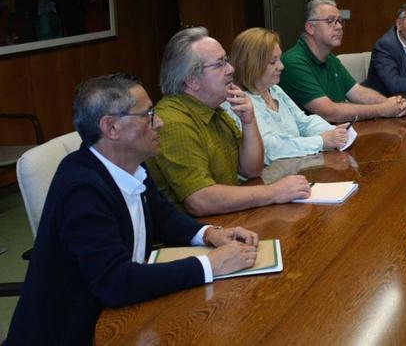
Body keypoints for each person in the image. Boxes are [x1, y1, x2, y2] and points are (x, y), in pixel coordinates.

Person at [4, 74, 260, 345]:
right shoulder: (80, 190)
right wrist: (211, 265)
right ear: (111, 128)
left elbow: (162, 216)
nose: (159, 122)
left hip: (127, 315)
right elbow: (116, 282)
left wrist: (208, 234)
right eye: (148, 115)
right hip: (77, 333)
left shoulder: (130, 164)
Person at [146, 27, 312, 216]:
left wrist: (249, 121)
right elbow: (200, 200)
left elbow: (251, 170)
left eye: (226, 60)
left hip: (229, 219)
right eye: (219, 64)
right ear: (192, 80)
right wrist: (274, 192)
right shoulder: (173, 122)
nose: (231, 69)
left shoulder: (215, 110)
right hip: (194, 235)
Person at [229, 27, 349, 164]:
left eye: (279, 59)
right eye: (272, 62)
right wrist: (321, 141)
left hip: (296, 167)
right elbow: (271, 147)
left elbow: (303, 122)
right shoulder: (239, 102)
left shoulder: (274, 90)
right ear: (251, 64)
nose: (281, 66)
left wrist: (335, 131)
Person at [280, 0, 406, 122]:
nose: (339, 27)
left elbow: (358, 92)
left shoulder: (329, 58)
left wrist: (390, 103)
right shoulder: (294, 62)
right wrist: (382, 109)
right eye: (330, 21)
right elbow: (329, 112)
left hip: (338, 135)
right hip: (312, 141)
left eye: (340, 21)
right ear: (310, 28)